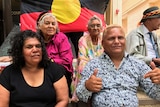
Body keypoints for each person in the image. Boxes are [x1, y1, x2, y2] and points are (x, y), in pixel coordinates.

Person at [76, 24, 160, 107]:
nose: (116, 41)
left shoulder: (138, 65)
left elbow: (156, 94)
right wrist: (87, 87)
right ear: (103, 43)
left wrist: (159, 82)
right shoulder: (93, 65)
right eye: (111, 38)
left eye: (120, 38)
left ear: (125, 41)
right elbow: (80, 95)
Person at [0, 30, 69, 107]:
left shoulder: (54, 70)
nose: (35, 50)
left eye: (38, 46)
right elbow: (2, 104)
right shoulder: (8, 73)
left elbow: (63, 100)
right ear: (20, 51)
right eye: (29, 47)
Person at [36, 11, 73, 97]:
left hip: (59, 69)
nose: (50, 26)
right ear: (39, 26)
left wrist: (51, 60)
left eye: (53, 24)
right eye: (47, 23)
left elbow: (67, 60)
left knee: (52, 69)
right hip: (39, 66)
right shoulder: (35, 38)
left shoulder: (61, 38)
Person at [70, 15, 104, 102]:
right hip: (87, 66)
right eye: (92, 26)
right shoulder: (83, 40)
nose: (95, 28)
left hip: (102, 67)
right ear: (88, 29)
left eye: (98, 25)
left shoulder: (104, 39)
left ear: (101, 28)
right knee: (82, 66)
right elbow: (82, 58)